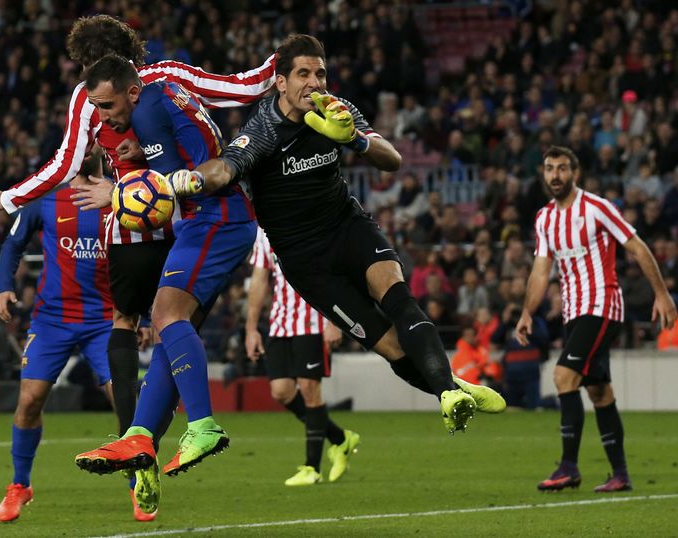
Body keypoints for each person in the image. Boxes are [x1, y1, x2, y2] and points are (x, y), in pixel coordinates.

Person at [0, 15, 275, 519]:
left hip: (151, 219)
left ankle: (149, 443)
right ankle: (143, 448)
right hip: (172, 219)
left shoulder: (122, 92)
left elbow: (67, 163)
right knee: (172, 325)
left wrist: (9, 196)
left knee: (146, 323)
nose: (96, 103)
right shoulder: (165, 78)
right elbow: (237, 89)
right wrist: (275, 68)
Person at [168, 34, 506, 434]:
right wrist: (187, 180)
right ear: (281, 82)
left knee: (400, 299)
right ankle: (449, 385)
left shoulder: (337, 111)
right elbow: (225, 168)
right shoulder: (263, 129)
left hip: (347, 227)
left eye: (321, 73)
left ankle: (448, 395)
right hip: (306, 261)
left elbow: (393, 160)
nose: (315, 83)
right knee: (390, 346)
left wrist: (354, 139)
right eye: (304, 74)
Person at [73, 55, 257, 480]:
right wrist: (144, 150)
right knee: (172, 330)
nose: (105, 116)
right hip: (219, 219)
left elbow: (169, 188)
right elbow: (191, 149)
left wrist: (117, 193)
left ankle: (202, 425)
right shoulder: (165, 94)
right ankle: (139, 434)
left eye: (107, 106)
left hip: (215, 219)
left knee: (165, 315)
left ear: (131, 92)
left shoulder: (149, 111)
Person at [515, 145, 677, 493]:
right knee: (600, 392)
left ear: (575, 173)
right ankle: (620, 474)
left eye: (561, 168)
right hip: (575, 313)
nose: (555, 175)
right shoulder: (545, 218)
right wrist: (528, 311)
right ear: (543, 173)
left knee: (562, 376)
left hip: (603, 305)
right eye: (549, 168)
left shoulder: (598, 208)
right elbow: (541, 271)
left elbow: (637, 246)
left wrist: (662, 294)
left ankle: (568, 467)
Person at [0, 175, 152, 522]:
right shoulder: (45, 200)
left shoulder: (121, 195)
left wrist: (148, 314)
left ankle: (137, 483)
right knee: (29, 400)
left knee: (123, 399)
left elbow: (143, 256)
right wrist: (3, 286)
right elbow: (13, 243)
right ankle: (20, 485)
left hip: (106, 320)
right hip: (52, 320)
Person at [246, 227, 358, 486]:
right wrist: (251, 329)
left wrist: (334, 320)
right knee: (281, 391)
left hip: (314, 322)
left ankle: (312, 468)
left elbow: (334, 273)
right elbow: (260, 279)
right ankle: (341, 439)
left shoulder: (311, 223)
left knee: (309, 388)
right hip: (280, 324)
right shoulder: (264, 233)